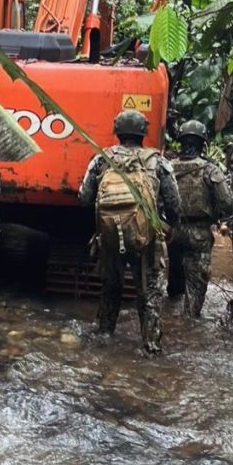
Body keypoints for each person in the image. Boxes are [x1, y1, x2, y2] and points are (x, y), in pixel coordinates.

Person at [78, 109, 180, 355]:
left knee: (110, 287)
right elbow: (175, 203)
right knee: (150, 293)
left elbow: (84, 198)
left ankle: (104, 338)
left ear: (117, 131)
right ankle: (151, 347)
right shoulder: (158, 162)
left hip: (111, 238)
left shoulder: (101, 159)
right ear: (144, 132)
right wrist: (167, 226)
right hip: (147, 241)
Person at [167, 120, 233, 317]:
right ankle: (188, 324)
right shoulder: (210, 170)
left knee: (174, 280)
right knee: (196, 286)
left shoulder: (168, 167)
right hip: (199, 234)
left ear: (180, 141)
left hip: (172, 231)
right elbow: (227, 204)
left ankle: (170, 316)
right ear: (202, 143)